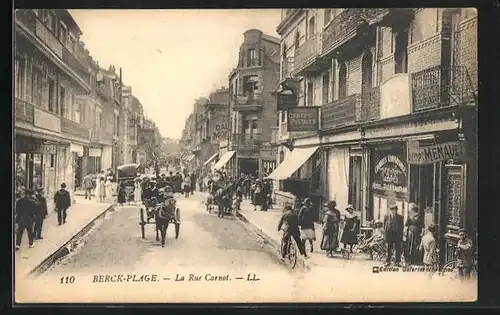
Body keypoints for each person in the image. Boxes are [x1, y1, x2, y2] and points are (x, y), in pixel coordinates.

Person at [383, 202, 404, 267]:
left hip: (397, 234)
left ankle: (397, 261)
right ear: (390, 210)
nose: (394, 211)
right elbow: (385, 226)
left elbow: (401, 227)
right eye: (392, 209)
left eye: (395, 209)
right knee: (389, 248)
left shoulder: (400, 217)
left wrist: (401, 235)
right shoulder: (386, 216)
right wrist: (385, 234)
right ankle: (388, 261)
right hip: (390, 234)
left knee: (398, 249)